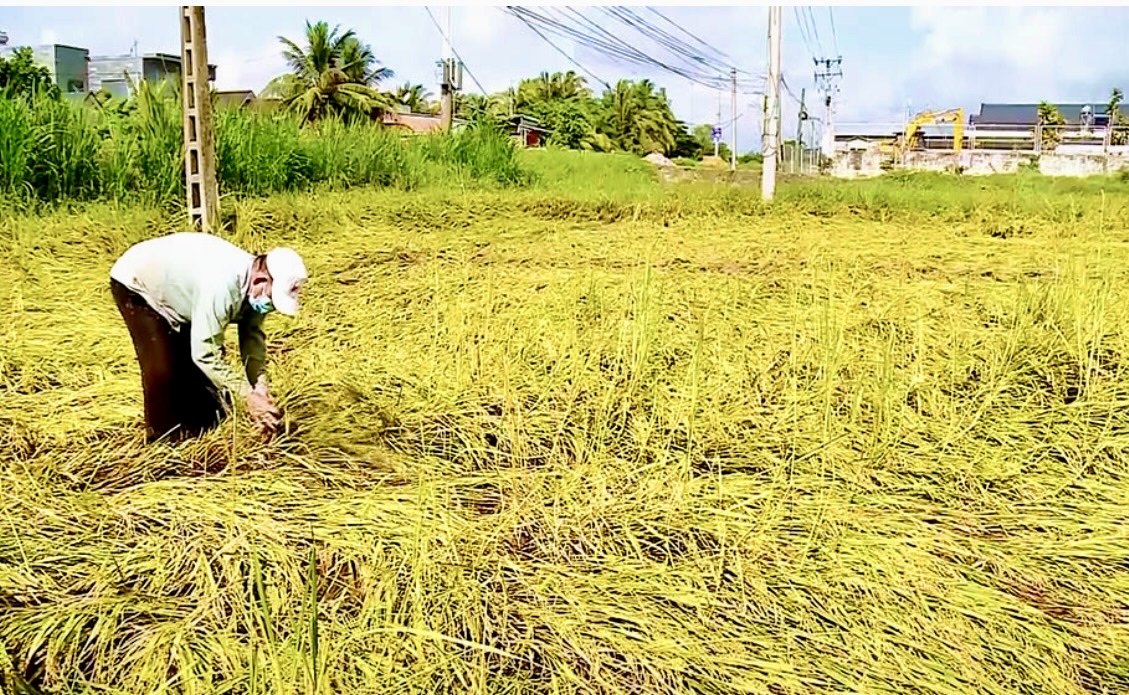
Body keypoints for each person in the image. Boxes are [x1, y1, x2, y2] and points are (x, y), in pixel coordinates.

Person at [109, 231, 308, 443]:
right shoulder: (221, 287)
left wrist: (260, 388)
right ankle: (162, 442)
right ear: (260, 280)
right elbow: (205, 354)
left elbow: (252, 339)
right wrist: (248, 396)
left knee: (203, 383)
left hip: (182, 290)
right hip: (137, 285)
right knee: (163, 369)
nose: (270, 307)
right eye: (272, 299)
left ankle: (201, 430)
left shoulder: (256, 289)